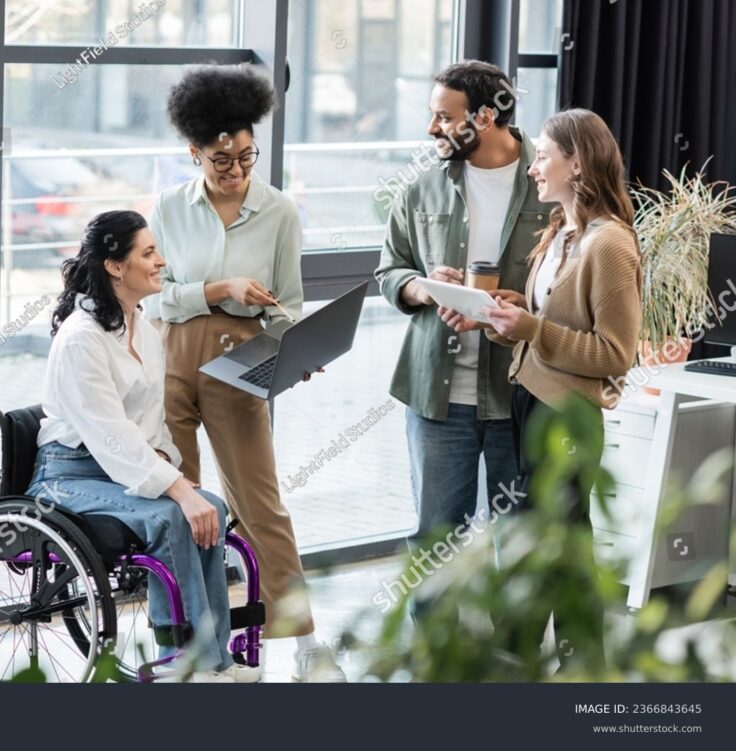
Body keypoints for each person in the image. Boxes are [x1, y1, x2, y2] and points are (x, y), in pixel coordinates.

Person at [143, 64, 345, 682]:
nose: (235, 170)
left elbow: (289, 302)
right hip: (172, 355)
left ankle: (307, 642)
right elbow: (156, 296)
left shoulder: (279, 211)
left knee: (260, 504)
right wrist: (218, 288)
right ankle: (190, 645)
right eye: (220, 159)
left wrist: (292, 355)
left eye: (245, 156)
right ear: (194, 151)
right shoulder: (170, 207)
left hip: (244, 358)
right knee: (180, 502)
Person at [444, 108, 641, 669]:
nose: (534, 167)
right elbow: (553, 325)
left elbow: (614, 354)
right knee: (562, 547)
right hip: (533, 404)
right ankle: (578, 666)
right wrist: (510, 311)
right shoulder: (563, 233)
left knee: (544, 544)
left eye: (544, 157)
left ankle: (518, 656)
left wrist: (533, 328)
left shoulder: (610, 245)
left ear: (576, 162)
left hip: (568, 421)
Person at [26, 210, 260, 683]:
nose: (161, 261)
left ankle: (216, 659)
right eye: (148, 253)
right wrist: (175, 489)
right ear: (115, 266)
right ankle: (183, 659)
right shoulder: (81, 339)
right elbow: (111, 435)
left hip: (116, 468)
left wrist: (173, 472)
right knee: (173, 513)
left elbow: (149, 425)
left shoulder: (143, 329)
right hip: (68, 476)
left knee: (209, 506)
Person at [374, 60, 549, 572]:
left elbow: (571, 284)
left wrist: (519, 308)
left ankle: (513, 652)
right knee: (433, 541)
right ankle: (430, 651)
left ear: (485, 118)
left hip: (519, 394)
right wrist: (423, 290)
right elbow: (390, 269)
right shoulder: (420, 186)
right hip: (438, 398)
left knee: (519, 542)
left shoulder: (550, 183)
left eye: (443, 117)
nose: (432, 128)